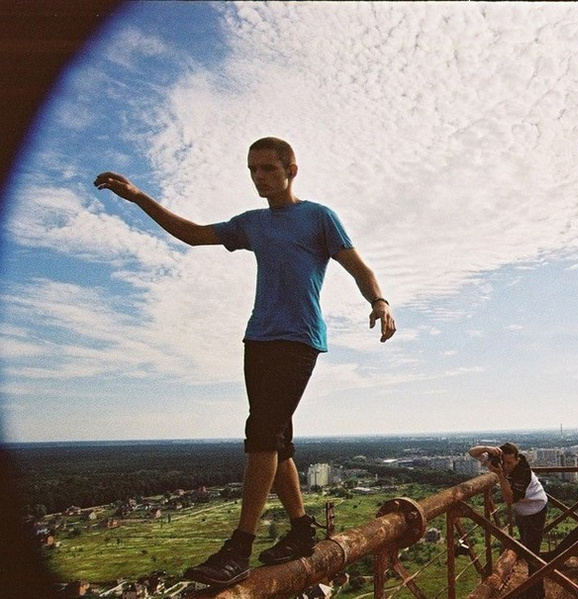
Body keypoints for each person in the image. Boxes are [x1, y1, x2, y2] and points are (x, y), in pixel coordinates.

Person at [94, 137, 396, 587]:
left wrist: (380, 300)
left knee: (261, 435)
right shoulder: (251, 223)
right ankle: (299, 530)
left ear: (291, 169)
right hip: (258, 339)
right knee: (277, 438)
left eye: (268, 169)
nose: (258, 177)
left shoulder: (318, 217)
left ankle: (239, 546)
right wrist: (139, 199)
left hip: (299, 338)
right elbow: (194, 235)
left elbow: (358, 266)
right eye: (252, 169)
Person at [469, 443, 547, 599]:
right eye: (504, 462)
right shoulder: (498, 459)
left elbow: (510, 499)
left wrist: (500, 475)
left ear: (517, 459)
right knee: (527, 549)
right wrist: (487, 449)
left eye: (510, 463)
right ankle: (533, 588)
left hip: (536, 510)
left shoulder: (523, 472)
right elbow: (472, 452)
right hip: (522, 511)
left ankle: (537, 592)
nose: (506, 466)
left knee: (532, 553)